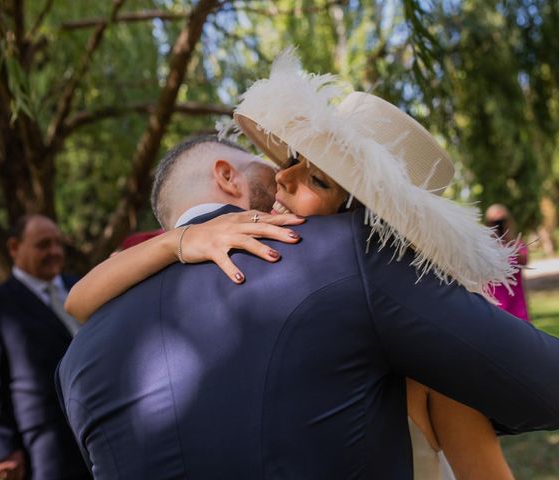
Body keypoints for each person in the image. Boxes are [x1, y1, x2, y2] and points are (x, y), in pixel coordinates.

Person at [57, 54, 559, 479]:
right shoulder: (344, 258)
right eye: (285, 159)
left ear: (361, 214)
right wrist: (180, 242)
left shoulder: (79, 361)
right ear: (225, 177)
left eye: (316, 176)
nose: (281, 172)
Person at [0, 215, 90, 480]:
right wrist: (2, 449)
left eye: (57, 244)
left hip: (98, 428)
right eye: (43, 245)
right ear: (14, 248)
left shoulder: (83, 288)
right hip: (43, 443)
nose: (54, 252)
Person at [485, 203, 530, 321]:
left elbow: (524, 260)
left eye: (502, 220)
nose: (499, 224)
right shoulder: (485, 247)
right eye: (494, 222)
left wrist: (508, 241)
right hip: (495, 305)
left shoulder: (518, 244)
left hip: (516, 303)